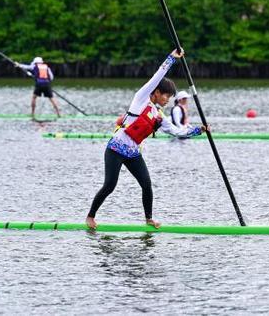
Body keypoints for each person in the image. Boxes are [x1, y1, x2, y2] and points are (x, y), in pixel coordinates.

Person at [86, 49, 208, 230]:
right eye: (166, 95)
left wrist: (198, 131)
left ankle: (149, 219)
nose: (167, 100)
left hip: (133, 152)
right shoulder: (141, 98)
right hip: (115, 149)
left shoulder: (159, 116)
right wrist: (172, 58)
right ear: (156, 92)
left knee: (147, 184)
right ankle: (90, 216)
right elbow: (157, 76)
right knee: (110, 185)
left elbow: (177, 132)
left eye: (170, 97)